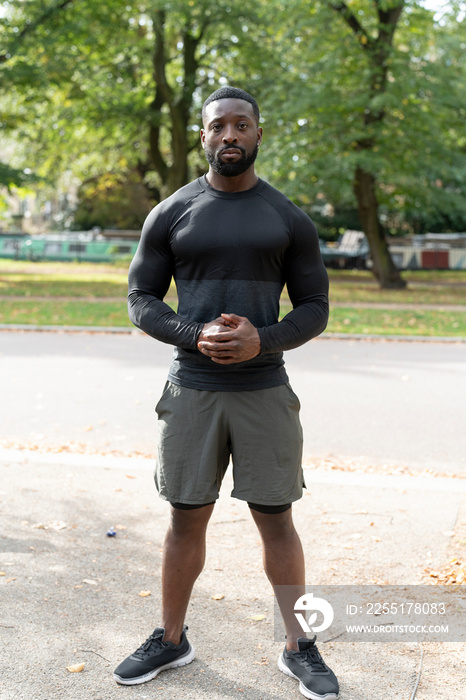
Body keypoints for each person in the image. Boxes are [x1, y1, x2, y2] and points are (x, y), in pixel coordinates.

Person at [113, 86, 339, 700]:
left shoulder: (288, 218)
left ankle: (299, 645)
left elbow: (316, 307)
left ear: (259, 135)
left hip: (265, 390)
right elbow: (140, 298)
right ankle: (170, 637)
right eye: (219, 127)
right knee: (185, 520)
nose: (230, 136)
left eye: (242, 126)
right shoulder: (172, 212)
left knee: (277, 521)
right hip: (193, 392)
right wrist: (192, 335)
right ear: (204, 135)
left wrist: (262, 341)